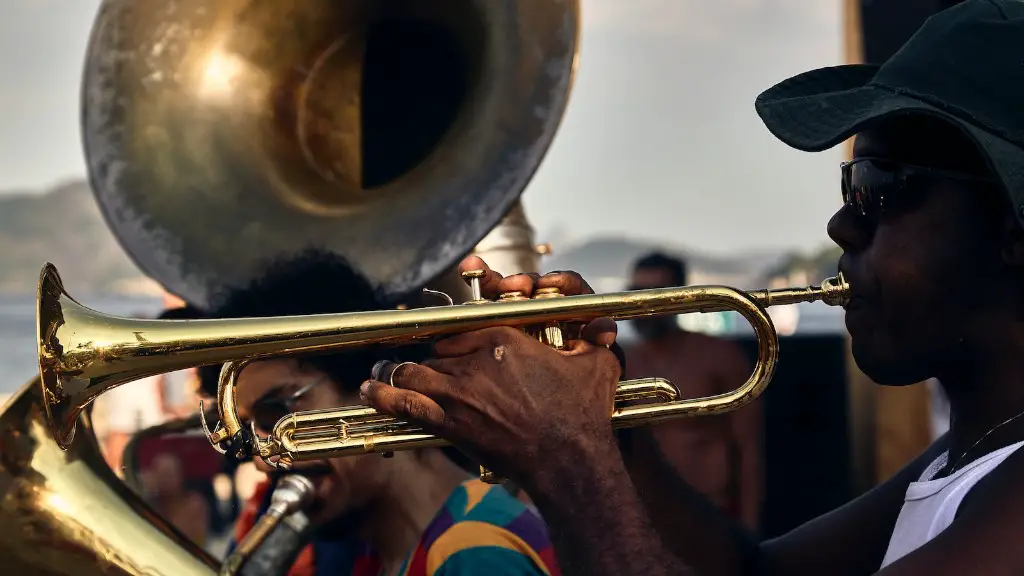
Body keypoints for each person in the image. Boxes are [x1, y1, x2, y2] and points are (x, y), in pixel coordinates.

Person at [360, 2, 1024, 574]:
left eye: (881, 186)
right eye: (850, 188)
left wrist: (563, 451)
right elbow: (750, 572)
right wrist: (610, 425)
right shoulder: (977, 452)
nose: (842, 222)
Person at [199, 249, 560, 576]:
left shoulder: (476, 557)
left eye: (277, 411)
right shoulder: (370, 552)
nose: (263, 461)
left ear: (370, 386)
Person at [624, 251, 762, 532]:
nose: (644, 304)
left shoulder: (717, 357)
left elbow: (749, 449)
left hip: (711, 516)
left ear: (679, 298)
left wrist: (750, 531)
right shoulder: (620, 364)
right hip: (646, 521)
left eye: (655, 293)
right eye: (637, 292)